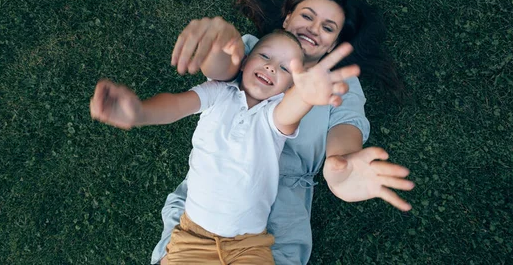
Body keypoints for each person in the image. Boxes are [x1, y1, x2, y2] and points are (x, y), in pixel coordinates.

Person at [152, 0, 415, 265]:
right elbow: (223, 67)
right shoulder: (254, 50)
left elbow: (345, 131)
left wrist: (342, 168)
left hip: (280, 214)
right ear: (287, 19)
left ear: (332, 46)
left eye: (328, 28)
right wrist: (220, 36)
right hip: (210, 197)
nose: (314, 30)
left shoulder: (341, 84)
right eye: (307, 16)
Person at [90, 30, 360, 264]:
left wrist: (306, 96)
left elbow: (292, 110)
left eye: (285, 68)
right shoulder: (218, 93)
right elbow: (176, 105)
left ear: (287, 88)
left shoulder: (274, 117)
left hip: (249, 246)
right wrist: (140, 112)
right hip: (193, 238)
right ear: (244, 62)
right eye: (265, 56)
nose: (271, 68)